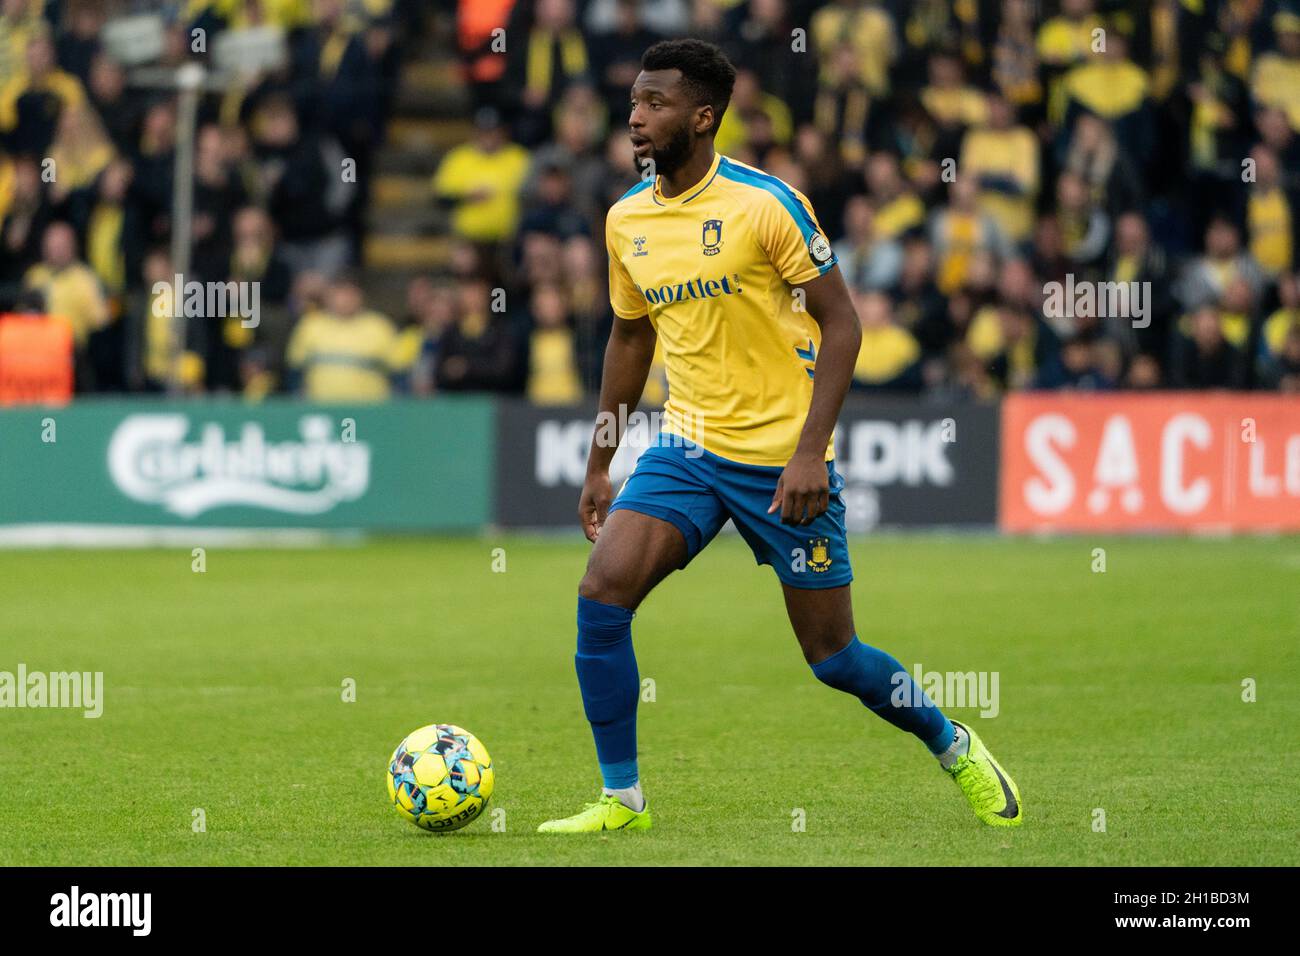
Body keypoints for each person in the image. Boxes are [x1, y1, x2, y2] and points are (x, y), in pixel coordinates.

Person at [538, 38, 1023, 834]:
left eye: (654, 104)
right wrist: (601, 462)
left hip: (780, 460)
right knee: (601, 593)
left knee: (835, 660)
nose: (635, 117)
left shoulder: (767, 205)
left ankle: (951, 740)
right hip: (686, 449)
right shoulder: (626, 220)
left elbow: (844, 328)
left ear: (703, 117)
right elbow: (630, 341)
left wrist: (809, 453)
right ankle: (622, 799)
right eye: (633, 101)